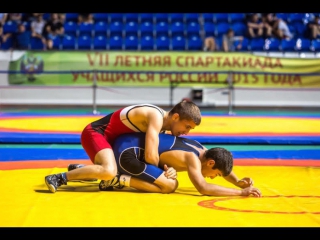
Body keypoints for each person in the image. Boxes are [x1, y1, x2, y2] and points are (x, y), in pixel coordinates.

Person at [45, 101, 202, 193]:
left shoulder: (162, 127)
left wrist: (166, 171)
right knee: (109, 171)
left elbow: (154, 157)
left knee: (115, 170)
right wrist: (165, 172)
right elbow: (150, 156)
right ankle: (59, 178)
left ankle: (84, 170)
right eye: (187, 126)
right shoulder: (156, 117)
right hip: (96, 134)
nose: (186, 132)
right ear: (175, 117)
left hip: (114, 143)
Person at [82, 132, 262, 197]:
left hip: (128, 147)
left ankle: (86, 171)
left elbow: (222, 168)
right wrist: (240, 192)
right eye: (216, 174)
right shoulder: (193, 159)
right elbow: (204, 188)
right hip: (128, 153)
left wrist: (237, 180)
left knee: (166, 181)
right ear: (210, 162)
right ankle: (117, 179)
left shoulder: (202, 149)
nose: (214, 177)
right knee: (169, 186)